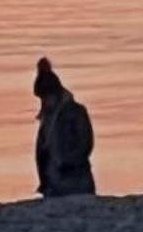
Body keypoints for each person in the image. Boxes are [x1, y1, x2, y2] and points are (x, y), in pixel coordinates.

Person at [32, 57, 96, 198]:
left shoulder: (76, 112)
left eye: (45, 98)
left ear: (55, 94)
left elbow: (86, 144)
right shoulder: (47, 119)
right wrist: (44, 180)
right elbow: (42, 154)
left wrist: (70, 164)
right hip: (54, 183)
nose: (44, 102)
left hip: (77, 182)